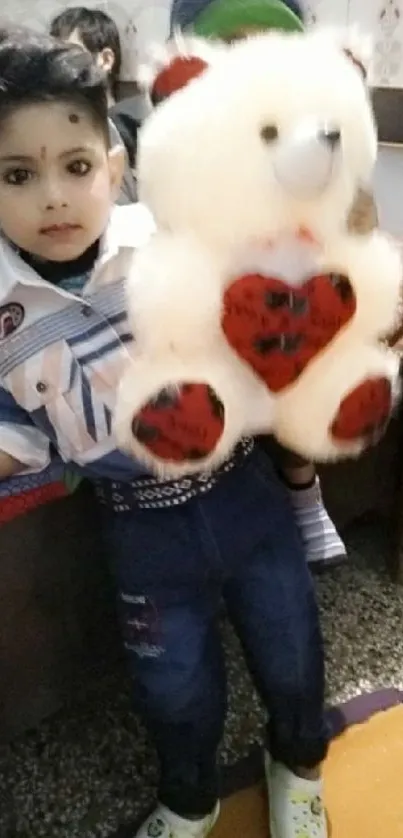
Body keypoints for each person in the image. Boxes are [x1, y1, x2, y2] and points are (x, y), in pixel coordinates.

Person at [0, 30, 329, 838]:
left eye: (75, 167)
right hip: (140, 527)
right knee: (171, 686)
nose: (53, 197)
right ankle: (190, 797)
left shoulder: (170, 238)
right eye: (17, 174)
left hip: (242, 493)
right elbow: (24, 438)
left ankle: (301, 764)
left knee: (292, 653)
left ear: (112, 165)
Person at [168, 0, 378, 570]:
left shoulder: (316, 146)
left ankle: (304, 494)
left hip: (294, 313)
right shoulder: (181, 146)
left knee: (296, 345)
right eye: (233, 49)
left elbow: (358, 232)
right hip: (212, 316)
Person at [50, 5, 138, 203]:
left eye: (69, 54)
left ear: (105, 60)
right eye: (53, 56)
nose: (58, 66)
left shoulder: (133, 121)